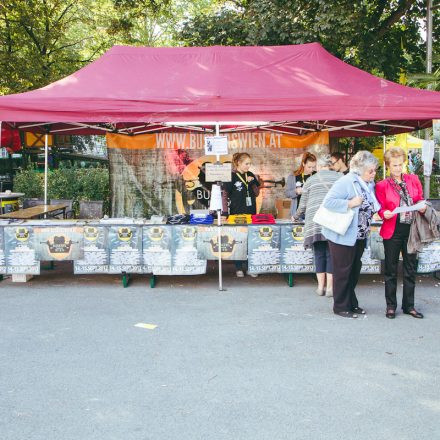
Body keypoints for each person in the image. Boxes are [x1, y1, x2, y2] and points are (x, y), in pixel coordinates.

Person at [322, 150, 380, 318]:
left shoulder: (367, 184)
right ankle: (340, 306)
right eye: (371, 170)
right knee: (342, 271)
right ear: (360, 169)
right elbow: (329, 202)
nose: (374, 173)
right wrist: (349, 203)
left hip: (359, 235)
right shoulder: (346, 181)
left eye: (375, 170)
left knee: (353, 271)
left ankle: (351, 303)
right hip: (343, 235)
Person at [375, 147, 426, 319]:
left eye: (400, 164)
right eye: (394, 165)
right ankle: (391, 306)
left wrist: (422, 206)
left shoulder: (413, 179)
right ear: (388, 166)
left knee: (410, 269)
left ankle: (409, 306)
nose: (398, 168)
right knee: (390, 269)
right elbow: (380, 207)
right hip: (392, 230)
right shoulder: (381, 185)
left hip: (411, 230)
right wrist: (384, 214)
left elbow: (419, 199)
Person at [295, 155, 341, 297]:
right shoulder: (339, 178)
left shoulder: (310, 180)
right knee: (331, 254)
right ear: (330, 165)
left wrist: (295, 216)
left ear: (319, 167)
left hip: (315, 222)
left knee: (319, 254)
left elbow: (302, 205)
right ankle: (330, 288)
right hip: (333, 222)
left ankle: (320, 287)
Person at [223, 152, 260, 277]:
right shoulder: (231, 176)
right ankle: (238, 268)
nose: (248, 166)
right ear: (238, 163)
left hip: (251, 212)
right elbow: (225, 195)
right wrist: (224, 213)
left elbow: (257, 193)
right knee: (238, 240)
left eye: (250, 164)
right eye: (246, 164)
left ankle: (251, 267)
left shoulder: (250, 175)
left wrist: (252, 182)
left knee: (250, 240)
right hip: (236, 212)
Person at [286, 152, 316, 217]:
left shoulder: (317, 175)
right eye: (309, 167)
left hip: (313, 212)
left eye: (313, 167)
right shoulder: (293, 176)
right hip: (297, 213)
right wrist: (296, 191)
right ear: (303, 164)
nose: (311, 170)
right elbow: (287, 193)